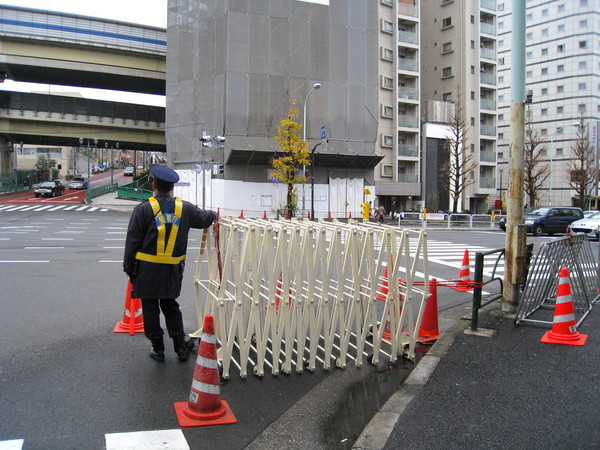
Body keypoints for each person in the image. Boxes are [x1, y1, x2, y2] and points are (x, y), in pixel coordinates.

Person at [123, 165, 217, 362]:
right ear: (172, 188)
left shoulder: (143, 209)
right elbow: (204, 219)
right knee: (171, 306)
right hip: (172, 270)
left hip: (147, 270)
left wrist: (129, 268)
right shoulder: (185, 208)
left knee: (150, 307)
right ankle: (180, 346)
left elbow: (132, 241)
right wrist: (214, 215)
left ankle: (158, 348)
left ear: (154, 185)